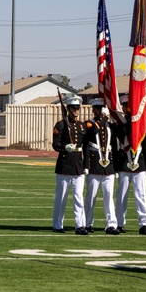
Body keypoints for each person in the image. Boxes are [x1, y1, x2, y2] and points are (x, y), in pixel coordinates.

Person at [114, 94, 146, 235]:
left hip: (140, 162)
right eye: (127, 106)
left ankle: (144, 223)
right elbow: (122, 135)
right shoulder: (120, 124)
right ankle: (119, 223)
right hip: (124, 162)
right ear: (124, 108)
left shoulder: (142, 126)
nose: (129, 109)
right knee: (122, 195)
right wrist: (132, 122)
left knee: (141, 195)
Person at [51, 95, 88, 234]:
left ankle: (80, 225)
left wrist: (86, 165)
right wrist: (65, 147)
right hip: (65, 165)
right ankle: (58, 225)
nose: (76, 110)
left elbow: (85, 146)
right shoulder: (60, 125)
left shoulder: (81, 125)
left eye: (78, 108)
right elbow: (56, 144)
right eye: (74, 108)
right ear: (68, 109)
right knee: (62, 197)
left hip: (78, 165)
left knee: (79, 197)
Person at [84, 99, 119, 234]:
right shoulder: (89, 124)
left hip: (108, 165)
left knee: (109, 195)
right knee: (91, 196)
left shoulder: (110, 126)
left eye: (102, 108)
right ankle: (87, 223)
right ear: (93, 109)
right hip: (94, 164)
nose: (100, 110)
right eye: (97, 108)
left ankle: (111, 224)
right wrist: (86, 164)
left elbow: (114, 147)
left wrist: (115, 167)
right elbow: (90, 136)